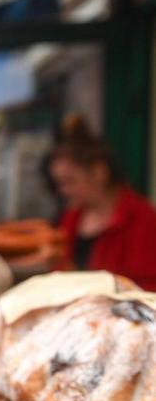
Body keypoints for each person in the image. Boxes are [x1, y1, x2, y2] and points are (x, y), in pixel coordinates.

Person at [51, 116, 156, 289]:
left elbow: (150, 287)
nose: (64, 191)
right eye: (60, 183)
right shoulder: (70, 219)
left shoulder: (142, 219)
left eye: (70, 181)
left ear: (99, 172)